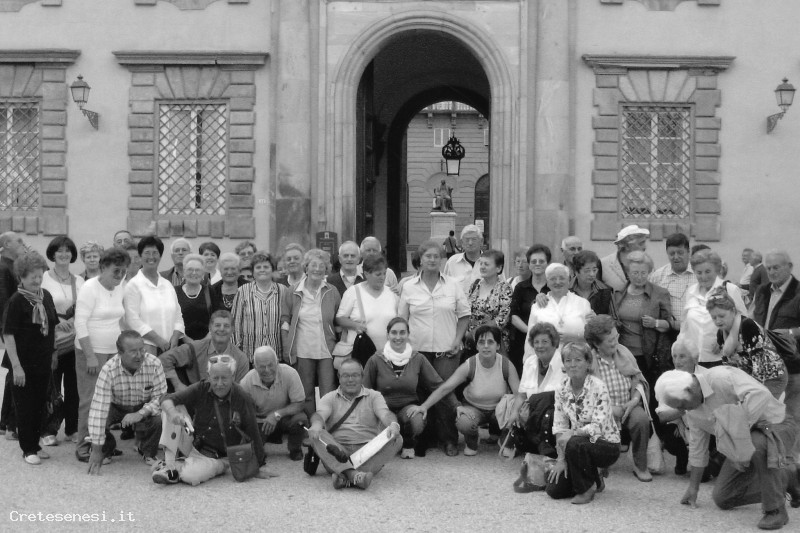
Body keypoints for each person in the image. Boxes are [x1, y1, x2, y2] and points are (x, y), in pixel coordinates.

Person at [655, 368, 799, 530]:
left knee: (757, 444)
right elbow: (698, 449)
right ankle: (788, 478)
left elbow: (761, 395)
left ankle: (775, 510)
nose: (682, 411)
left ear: (689, 390)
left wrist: (740, 438)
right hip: (742, 440)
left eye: (682, 405)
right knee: (724, 497)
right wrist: (693, 487)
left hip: (776, 425)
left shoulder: (722, 378)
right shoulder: (692, 411)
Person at [398, 240, 469, 456]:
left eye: (436, 256)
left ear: (442, 260)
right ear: (420, 260)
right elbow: (402, 318)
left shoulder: (453, 285)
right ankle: (424, 438)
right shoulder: (408, 286)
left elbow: (464, 315)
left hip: (447, 350)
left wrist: (457, 339)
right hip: (418, 351)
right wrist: (405, 346)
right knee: (420, 393)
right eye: (428, 256)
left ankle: (448, 439)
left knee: (445, 393)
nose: (432, 260)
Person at [152, 359, 274, 485]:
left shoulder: (242, 397)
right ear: (209, 376)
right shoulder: (201, 387)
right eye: (215, 378)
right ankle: (170, 466)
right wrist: (173, 414)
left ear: (233, 377)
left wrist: (260, 465)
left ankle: (178, 466)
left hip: (219, 456)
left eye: (224, 378)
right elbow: (165, 399)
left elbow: (253, 431)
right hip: (195, 443)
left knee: (190, 476)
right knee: (171, 408)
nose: (219, 383)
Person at [408, 325, 523, 457]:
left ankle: (505, 439)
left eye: (490, 342)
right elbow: (445, 388)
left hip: (499, 410)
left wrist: (515, 412)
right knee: (464, 422)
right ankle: (472, 441)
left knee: (516, 409)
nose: (486, 346)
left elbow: (519, 395)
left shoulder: (506, 365)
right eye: (481, 342)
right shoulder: (470, 364)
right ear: (477, 346)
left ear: (497, 346)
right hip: (474, 408)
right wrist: (424, 406)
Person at [363, 317, 453, 459]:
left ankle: (408, 441)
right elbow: (364, 389)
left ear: (408, 334)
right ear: (387, 335)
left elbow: (438, 385)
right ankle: (394, 439)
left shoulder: (418, 358)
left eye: (402, 332)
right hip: (384, 409)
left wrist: (456, 406)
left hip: (408, 407)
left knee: (417, 421)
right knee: (386, 426)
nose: (398, 337)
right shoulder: (376, 359)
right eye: (394, 332)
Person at [307, 358, 403, 490]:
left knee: (396, 438)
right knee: (316, 434)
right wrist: (317, 424)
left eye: (355, 375)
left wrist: (393, 424)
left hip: (367, 451)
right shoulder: (329, 397)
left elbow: (385, 414)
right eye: (345, 375)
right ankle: (356, 477)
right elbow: (319, 415)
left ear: (362, 377)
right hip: (338, 450)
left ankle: (344, 476)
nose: (350, 380)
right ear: (339, 377)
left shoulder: (374, 396)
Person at [545, 342, 621, 503]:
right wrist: (561, 460)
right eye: (568, 360)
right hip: (575, 445)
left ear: (588, 363)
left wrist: (573, 433)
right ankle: (595, 477)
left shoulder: (599, 387)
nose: (572, 364)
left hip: (606, 444)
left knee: (575, 442)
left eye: (578, 360)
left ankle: (587, 489)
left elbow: (597, 426)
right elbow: (559, 425)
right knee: (554, 490)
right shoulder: (561, 388)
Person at [74, 248, 131, 460]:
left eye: (123, 271)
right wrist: (89, 356)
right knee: (90, 401)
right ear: (103, 267)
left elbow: (120, 319)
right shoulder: (89, 288)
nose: (120, 275)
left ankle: (102, 443)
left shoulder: (120, 287)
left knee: (107, 400)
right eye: (116, 270)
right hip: (91, 352)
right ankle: (83, 447)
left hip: (113, 352)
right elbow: (80, 322)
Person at [2, 251, 57, 465]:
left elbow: (52, 327)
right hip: (23, 363)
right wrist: (16, 367)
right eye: (32, 276)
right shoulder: (16, 301)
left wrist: (54, 353)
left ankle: (35, 443)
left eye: (40, 275)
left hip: (43, 361)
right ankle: (28, 449)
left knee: (40, 404)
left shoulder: (46, 296)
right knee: (25, 407)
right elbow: (8, 335)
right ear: (21, 277)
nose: (37, 280)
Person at [584, 314, 652, 482]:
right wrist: (609, 409)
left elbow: (639, 381)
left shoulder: (624, 352)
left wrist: (634, 401)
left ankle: (640, 465)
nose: (616, 342)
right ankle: (600, 463)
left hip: (628, 405)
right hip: (601, 409)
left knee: (641, 420)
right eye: (610, 340)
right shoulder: (589, 361)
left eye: (616, 337)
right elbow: (586, 394)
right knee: (596, 424)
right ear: (597, 344)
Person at [86, 331, 165, 473]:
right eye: (133, 351)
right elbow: (99, 409)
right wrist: (96, 449)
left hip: (143, 406)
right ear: (120, 353)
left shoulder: (154, 363)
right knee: (99, 417)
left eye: (142, 349)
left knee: (158, 418)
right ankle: (106, 449)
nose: (139, 355)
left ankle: (147, 451)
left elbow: (160, 398)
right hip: (116, 406)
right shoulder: (108, 369)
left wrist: (140, 413)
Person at [284, 249, 341, 416]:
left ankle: (326, 424)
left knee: (328, 392)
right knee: (306, 392)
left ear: (326, 269)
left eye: (321, 266)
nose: (317, 269)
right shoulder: (293, 291)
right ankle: (310, 426)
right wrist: (286, 347)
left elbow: (338, 321)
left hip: (327, 349)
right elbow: (285, 321)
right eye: (313, 265)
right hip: (302, 349)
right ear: (306, 267)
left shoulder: (332, 291)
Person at [40, 235, 85, 445]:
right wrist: (56, 323)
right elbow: (37, 307)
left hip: (75, 340)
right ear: (53, 253)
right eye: (59, 250)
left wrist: (74, 320)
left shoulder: (80, 281)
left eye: (68, 250)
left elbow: (85, 307)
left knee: (74, 386)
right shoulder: (43, 278)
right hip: (52, 340)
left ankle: (72, 428)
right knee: (52, 386)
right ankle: (48, 429)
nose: (64, 254)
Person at [707, 287, 787, 398]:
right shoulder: (721, 333)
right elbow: (729, 366)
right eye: (713, 318)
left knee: (759, 407)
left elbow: (760, 365)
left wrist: (749, 393)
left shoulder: (747, 325)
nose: (718, 321)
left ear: (733, 311)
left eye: (721, 316)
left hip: (771, 377)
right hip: (749, 377)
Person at [752, 250, 800, 433]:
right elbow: (751, 318)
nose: (771, 272)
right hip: (765, 366)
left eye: (776, 267)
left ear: (790, 267)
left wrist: (790, 332)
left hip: (793, 366)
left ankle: (792, 451)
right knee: (766, 416)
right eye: (769, 268)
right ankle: (773, 450)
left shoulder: (798, 292)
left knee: (793, 415)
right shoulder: (762, 291)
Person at [611, 251, 673, 385]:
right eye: (635, 273)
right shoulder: (618, 293)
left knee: (646, 390)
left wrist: (655, 323)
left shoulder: (660, 293)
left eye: (643, 273)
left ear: (649, 272)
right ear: (627, 273)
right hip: (622, 353)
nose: (639, 277)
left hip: (647, 356)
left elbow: (669, 325)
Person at [239, 346, 307, 460]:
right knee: (254, 455)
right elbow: (243, 412)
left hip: (284, 416)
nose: (267, 370)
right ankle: (270, 437)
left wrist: (276, 415)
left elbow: (300, 404)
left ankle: (295, 449)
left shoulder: (290, 373)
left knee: (300, 419)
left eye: (270, 365)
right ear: (255, 366)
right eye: (262, 366)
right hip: (260, 420)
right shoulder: (246, 382)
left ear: (277, 362)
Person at [682, 249, 747, 368]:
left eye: (708, 271)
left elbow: (744, 322)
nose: (703, 276)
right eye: (699, 272)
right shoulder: (691, 291)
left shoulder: (730, 289)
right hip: (695, 359)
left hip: (722, 359)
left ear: (717, 270)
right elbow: (685, 326)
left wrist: (724, 338)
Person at [124, 236, 185, 356]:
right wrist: (158, 340)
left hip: (170, 348)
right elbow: (132, 320)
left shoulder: (167, 284)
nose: (151, 257)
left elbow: (178, 316)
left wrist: (175, 338)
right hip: (145, 348)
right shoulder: (133, 285)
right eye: (147, 253)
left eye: (155, 253)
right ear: (140, 256)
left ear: (160, 256)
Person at [334, 255, 397, 368]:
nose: (382, 277)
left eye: (384, 274)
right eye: (378, 274)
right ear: (367, 274)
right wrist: (355, 325)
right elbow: (340, 318)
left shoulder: (392, 293)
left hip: (388, 354)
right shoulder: (353, 292)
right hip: (360, 353)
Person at [159, 310, 249, 390]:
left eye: (226, 326)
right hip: (197, 399)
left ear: (232, 330)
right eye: (217, 325)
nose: (222, 329)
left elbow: (239, 392)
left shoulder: (241, 358)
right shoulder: (195, 348)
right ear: (210, 328)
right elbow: (163, 359)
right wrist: (177, 384)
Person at [231, 251, 289, 365]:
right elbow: (235, 323)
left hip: (276, 354)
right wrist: (237, 351)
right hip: (249, 355)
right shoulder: (242, 291)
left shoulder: (283, 290)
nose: (262, 270)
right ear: (253, 271)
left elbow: (287, 322)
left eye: (266, 267)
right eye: (258, 267)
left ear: (272, 270)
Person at [524, 263, 592, 356]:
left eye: (562, 278)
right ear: (547, 282)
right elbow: (530, 338)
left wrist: (575, 338)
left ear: (569, 280)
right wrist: (528, 361)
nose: (557, 282)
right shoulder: (537, 306)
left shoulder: (583, 304)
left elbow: (592, 336)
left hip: (576, 359)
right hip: (546, 361)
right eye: (553, 279)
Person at [509, 244, 551, 374]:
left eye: (541, 261)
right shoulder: (520, 288)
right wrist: (531, 332)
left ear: (548, 263)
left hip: (550, 342)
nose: (537, 264)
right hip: (522, 341)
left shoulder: (553, 287)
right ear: (529, 264)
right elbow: (514, 316)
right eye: (533, 261)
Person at [0, 231, 24, 439]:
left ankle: (5, 422)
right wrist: (7, 329)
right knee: (15, 371)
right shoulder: (3, 267)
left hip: (14, 326)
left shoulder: (13, 265)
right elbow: (3, 300)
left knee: (12, 372)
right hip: (12, 328)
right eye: (19, 241)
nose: (23, 244)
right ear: (7, 244)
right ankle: (9, 424)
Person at [466, 249, 512, 355]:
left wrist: (477, 332)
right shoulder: (475, 285)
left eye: (486, 264)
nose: (482, 267)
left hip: (493, 344)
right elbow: (467, 311)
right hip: (471, 343)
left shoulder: (505, 288)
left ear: (498, 268)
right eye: (481, 263)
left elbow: (502, 319)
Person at [648, 233, 695, 333]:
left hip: (695, 332)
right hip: (668, 334)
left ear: (688, 252)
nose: (676, 257)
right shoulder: (658, 276)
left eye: (680, 253)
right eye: (672, 253)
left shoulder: (699, 274)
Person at [175, 254, 216, 342]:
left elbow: (217, 317)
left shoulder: (210, 291)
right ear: (184, 272)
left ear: (203, 273)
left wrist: (204, 341)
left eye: (197, 270)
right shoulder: (174, 292)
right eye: (190, 269)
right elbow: (171, 319)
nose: (194, 273)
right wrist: (186, 340)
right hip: (181, 344)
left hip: (207, 343)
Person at [518, 322, 564, 397]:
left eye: (544, 342)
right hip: (530, 405)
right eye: (536, 342)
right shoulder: (529, 362)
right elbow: (521, 396)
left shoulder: (564, 364)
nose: (540, 346)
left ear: (554, 343)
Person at [600, 225, 649, 292]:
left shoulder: (647, 264)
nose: (645, 247)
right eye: (641, 243)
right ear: (627, 246)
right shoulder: (603, 265)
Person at [570, 250, 614, 316]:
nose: (592, 274)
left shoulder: (605, 291)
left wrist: (597, 319)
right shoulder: (566, 291)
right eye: (587, 271)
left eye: (594, 270)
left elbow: (614, 319)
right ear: (576, 272)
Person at [443, 225, 483, 293]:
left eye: (474, 239)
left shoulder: (492, 263)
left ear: (481, 241)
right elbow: (444, 288)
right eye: (467, 240)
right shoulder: (452, 263)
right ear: (462, 242)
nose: (470, 243)